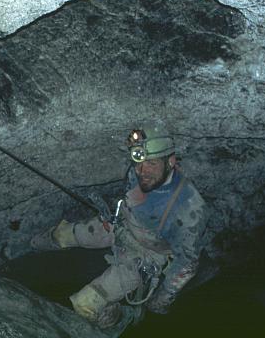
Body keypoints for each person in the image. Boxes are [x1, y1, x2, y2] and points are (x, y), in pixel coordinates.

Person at [30, 124, 208, 328]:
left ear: (171, 162)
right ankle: (33, 245)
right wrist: (115, 216)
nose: (143, 171)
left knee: (84, 304)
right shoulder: (138, 172)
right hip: (120, 225)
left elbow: (187, 264)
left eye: (152, 163)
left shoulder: (189, 211)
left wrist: (161, 299)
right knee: (63, 234)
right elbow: (131, 198)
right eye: (139, 162)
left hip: (144, 256)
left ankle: (122, 317)